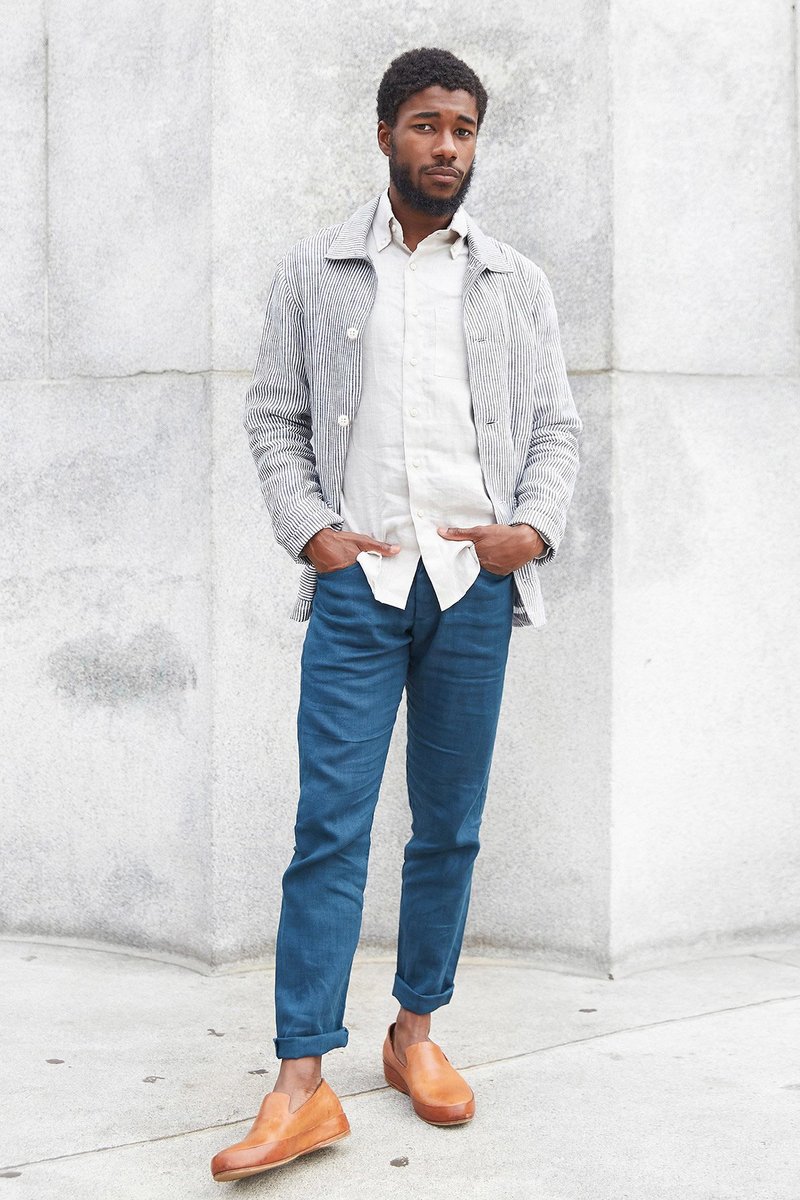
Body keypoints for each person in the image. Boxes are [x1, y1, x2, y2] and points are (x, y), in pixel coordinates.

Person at [210, 45, 582, 1183]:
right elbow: (273, 416)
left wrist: (531, 530)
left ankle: (415, 1031)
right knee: (329, 824)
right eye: (426, 125)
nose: (446, 147)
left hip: (470, 587)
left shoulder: (514, 282)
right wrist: (310, 532)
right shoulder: (316, 271)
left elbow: (556, 429)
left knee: (448, 825)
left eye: (463, 129)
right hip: (358, 587)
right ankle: (299, 1082)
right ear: (385, 135)